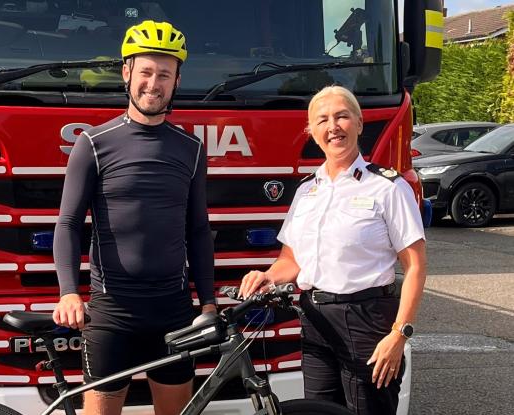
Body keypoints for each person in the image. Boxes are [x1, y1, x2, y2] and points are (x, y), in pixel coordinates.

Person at [52, 20, 216, 415]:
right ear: (127, 73)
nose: (153, 83)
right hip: (112, 314)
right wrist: (68, 291)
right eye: (145, 71)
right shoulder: (93, 143)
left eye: (164, 74)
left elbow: (197, 229)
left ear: (176, 81)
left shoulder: (191, 148)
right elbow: (68, 223)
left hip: (174, 312)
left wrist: (208, 302)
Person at [238, 85, 426, 415]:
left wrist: (400, 333)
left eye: (341, 116)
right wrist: (266, 276)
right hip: (315, 319)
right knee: (320, 411)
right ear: (312, 132)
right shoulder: (307, 190)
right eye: (322, 120)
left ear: (359, 122)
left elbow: (415, 265)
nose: (333, 126)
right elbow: (292, 259)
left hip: (367, 319)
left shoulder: (387, 187)